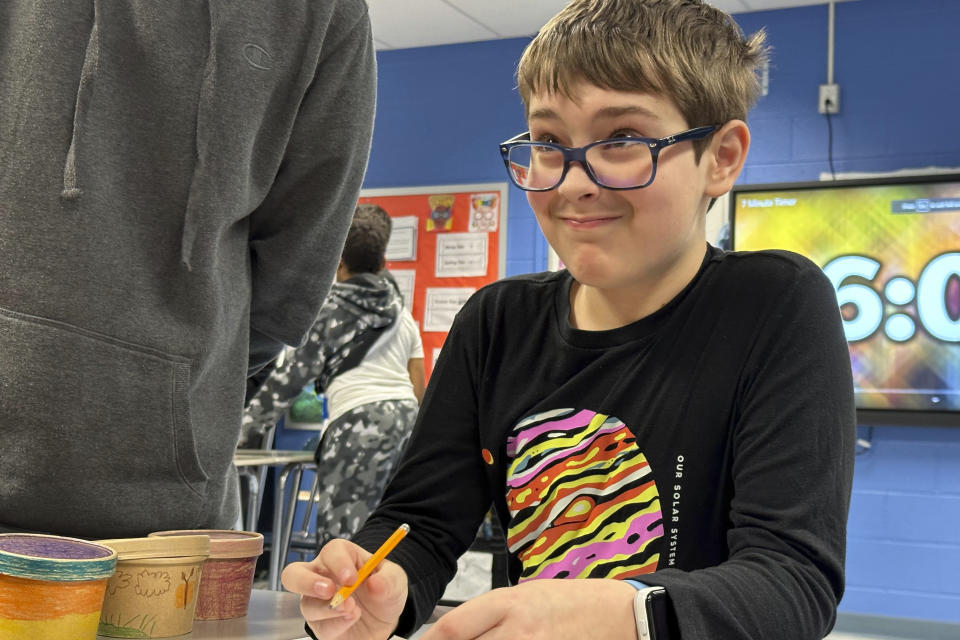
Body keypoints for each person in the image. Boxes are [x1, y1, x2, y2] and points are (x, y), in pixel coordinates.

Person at [282, 1, 856, 639]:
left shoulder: (774, 304)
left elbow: (791, 580)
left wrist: (628, 614)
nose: (573, 181)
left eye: (622, 141)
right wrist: (379, 587)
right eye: (551, 143)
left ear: (720, 157)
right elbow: (421, 523)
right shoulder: (496, 323)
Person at [0, 0, 376, 539]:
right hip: (165, 474)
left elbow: (299, 257)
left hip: (154, 521)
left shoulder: (320, 12)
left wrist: (187, 396)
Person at [245, 204, 425, 546]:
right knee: (390, 530)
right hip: (406, 421)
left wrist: (241, 432)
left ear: (337, 262)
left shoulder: (330, 311)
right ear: (383, 263)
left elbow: (290, 381)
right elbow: (419, 382)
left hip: (359, 422)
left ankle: (343, 600)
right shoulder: (400, 311)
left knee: (343, 539)